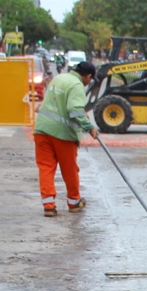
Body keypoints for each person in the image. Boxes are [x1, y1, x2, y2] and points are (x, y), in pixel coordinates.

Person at [33, 60, 98, 217]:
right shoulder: (76, 85)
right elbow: (74, 110)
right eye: (90, 79)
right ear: (88, 76)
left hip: (42, 130)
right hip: (62, 134)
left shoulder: (59, 78)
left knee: (46, 168)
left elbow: (56, 104)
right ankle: (74, 202)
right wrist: (89, 127)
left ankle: (49, 205)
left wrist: (82, 115)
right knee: (69, 169)